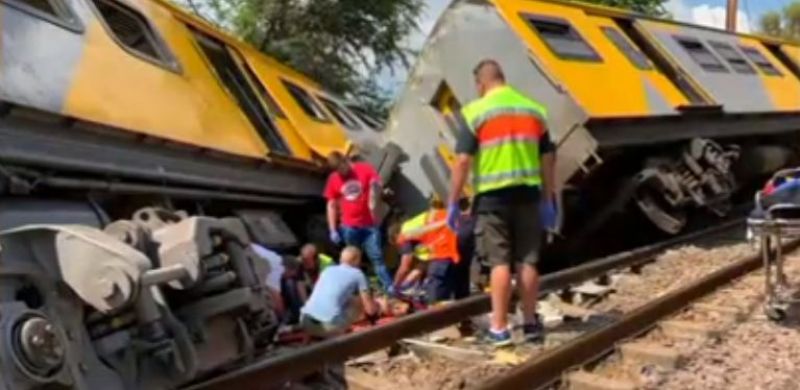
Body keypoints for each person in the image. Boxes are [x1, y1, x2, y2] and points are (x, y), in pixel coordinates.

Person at [447, 59, 558, 347]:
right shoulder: (534, 110)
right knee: (528, 261)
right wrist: (549, 198)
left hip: (492, 199)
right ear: (502, 78)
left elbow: (462, 161)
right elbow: (548, 158)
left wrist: (452, 201)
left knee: (499, 264)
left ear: (480, 83)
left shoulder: (475, 112)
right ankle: (531, 323)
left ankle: (499, 328)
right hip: (529, 196)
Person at [324, 152, 394, 294]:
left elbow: (377, 186)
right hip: (349, 227)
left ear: (346, 161)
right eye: (338, 171)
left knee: (377, 257)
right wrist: (332, 229)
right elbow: (331, 205)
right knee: (352, 261)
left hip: (369, 226)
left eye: (342, 168)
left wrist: (376, 188)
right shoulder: (333, 179)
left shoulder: (364, 169)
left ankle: (389, 287)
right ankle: (361, 291)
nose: (341, 173)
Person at [300, 246, 379, 338]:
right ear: (357, 260)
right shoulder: (358, 274)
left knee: (343, 299)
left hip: (305, 322)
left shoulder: (327, 270)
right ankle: (344, 331)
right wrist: (376, 308)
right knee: (359, 300)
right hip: (329, 328)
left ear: (341, 258)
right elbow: (370, 310)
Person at [250, 243, 287, 319]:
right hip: (249, 276)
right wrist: (283, 316)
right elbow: (275, 293)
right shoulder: (279, 268)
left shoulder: (272, 255)